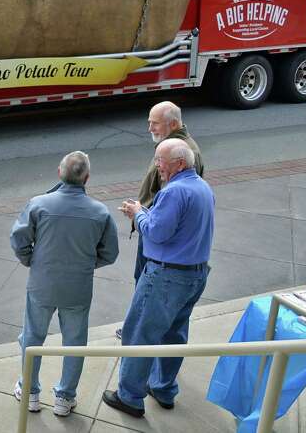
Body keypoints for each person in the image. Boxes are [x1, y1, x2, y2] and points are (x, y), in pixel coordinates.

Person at [103, 139, 214, 418]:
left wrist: (138, 213)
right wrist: (149, 214)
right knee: (174, 333)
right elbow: (179, 228)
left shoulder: (174, 192)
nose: (157, 166)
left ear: (179, 163)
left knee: (140, 332)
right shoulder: (202, 187)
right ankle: (163, 388)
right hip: (195, 275)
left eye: (160, 160)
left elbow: (157, 233)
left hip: (166, 277)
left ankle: (129, 397)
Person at [9, 151, 119, 417]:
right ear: (87, 178)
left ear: (59, 173)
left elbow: (18, 238)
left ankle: (30, 392)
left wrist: (31, 260)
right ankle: (64, 398)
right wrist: (86, 265)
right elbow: (110, 253)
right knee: (75, 341)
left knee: (33, 337)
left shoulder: (39, 204)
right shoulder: (100, 212)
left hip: (42, 283)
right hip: (77, 287)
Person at [117, 101, 203, 339]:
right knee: (144, 283)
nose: (149, 128)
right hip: (154, 231)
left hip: (159, 241)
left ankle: (140, 333)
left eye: (154, 123)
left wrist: (139, 214)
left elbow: (168, 206)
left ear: (173, 124)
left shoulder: (181, 153)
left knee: (149, 288)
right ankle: (140, 329)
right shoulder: (171, 148)